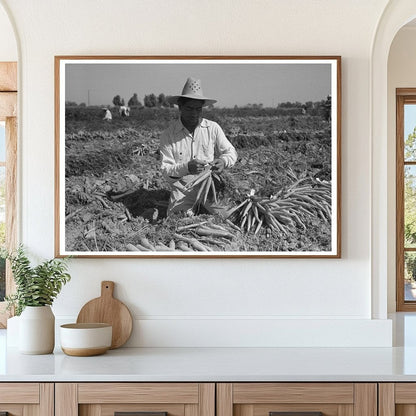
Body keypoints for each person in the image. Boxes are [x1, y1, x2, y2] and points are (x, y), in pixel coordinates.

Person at [160, 77, 237, 216]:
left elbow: (231, 152)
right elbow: (166, 172)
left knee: (230, 216)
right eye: (189, 108)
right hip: (183, 188)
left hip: (209, 186)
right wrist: (187, 167)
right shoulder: (169, 135)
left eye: (198, 109)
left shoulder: (213, 128)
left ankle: (205, 207)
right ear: (180, 106)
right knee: (175, 220)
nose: (194, 113)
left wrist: (223, 161)